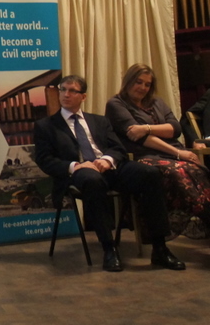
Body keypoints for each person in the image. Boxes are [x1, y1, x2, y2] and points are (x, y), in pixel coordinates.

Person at [34, 75, 185, 272]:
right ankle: (109, 248)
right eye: (63, 90)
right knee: (92, 180)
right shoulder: (46, 126)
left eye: (72, 91)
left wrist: (107, 160)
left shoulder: (99, 121)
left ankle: (160, 248)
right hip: (79, 174)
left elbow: (118, 149)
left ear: (83, 96)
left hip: (109, 168)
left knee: (150, 173)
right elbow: (45, 160)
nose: (66, 94)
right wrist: (75, 166)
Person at [105, 63, 210, 237]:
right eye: (139, 82)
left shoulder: (157, 102)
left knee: (197, 169)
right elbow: (140, 138)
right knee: (178, 172)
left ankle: (201, 218)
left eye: (147, 84)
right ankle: (203, 217)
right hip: (144, 156)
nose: (143, 88)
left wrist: (146, 128)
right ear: (129, 81)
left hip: (171, 153)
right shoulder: (116, 104)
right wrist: (178, 153)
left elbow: (175, 128)